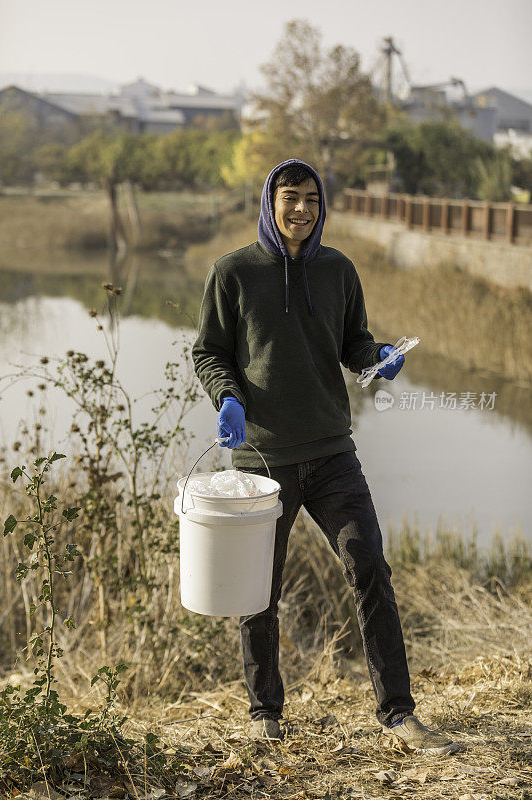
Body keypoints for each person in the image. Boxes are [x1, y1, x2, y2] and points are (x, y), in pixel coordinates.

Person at [192, 158, 459, 755]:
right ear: (270, 201)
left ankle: (398, 714)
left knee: (369, 565)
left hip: (333, 452)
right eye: (291, 198)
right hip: (262, 458)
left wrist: (378, 358)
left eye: (312, 199)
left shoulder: (339, 269)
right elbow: (209, 353)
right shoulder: (232, 272)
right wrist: (229, 397)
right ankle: (266, 713)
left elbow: (353, 344)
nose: (302, 211)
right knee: (258, 588)